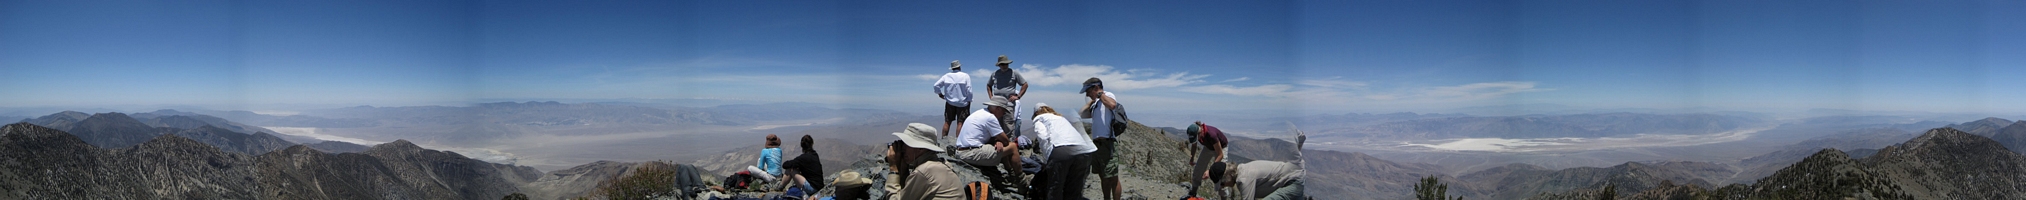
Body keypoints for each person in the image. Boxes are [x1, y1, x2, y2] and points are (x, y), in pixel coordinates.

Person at [1028, 103, 1096, 200]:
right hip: (1083, 151)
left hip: (1061, 151)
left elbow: (1043, 137)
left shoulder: (1039, 119)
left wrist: (1048, 162)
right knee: (1074, 189)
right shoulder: (1060, 118)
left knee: (1055, 188)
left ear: (1036, 113)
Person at [1078, 77, 1126, 200]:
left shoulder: (1107, 96)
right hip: (1097, 144)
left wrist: (1100, 94)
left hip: (1108, 143)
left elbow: (1112, 104)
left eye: (1088, 91)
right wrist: (1091, 102)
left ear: (1095, 88)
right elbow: (1082, 113)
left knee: (1113, 177)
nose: (1088, 95)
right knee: (1103, 176)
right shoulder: (1096, 104)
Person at [889, 123, 964, 200]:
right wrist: (903, 168)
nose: (903, 148)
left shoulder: (924, 171)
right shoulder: (942, 164)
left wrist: (893, 168)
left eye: (906, 144)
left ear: (920, 148)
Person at [954, 96, 1022, 176]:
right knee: (1012, 147)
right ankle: (1020, 180)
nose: (1003, 114)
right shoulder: (990, 118)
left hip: (960, 151)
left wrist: (997, 141)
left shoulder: (980, 113)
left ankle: (1010, 173)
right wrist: (999, 141)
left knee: (1001, 147)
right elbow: (1006, 141)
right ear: (998, 109)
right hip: (970, 153)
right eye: (1003, 111)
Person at [986, 55, 1029, 145]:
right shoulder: (994, 74)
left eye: (1006, 64)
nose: (1004, 66)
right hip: (996, 104)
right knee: (995, 124)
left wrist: (1018, 96)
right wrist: (991, 97)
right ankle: (997, 145)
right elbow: (988, 85)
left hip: (1008, 104)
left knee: (1008, 125)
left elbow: (1024, 84)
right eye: (1002, 64)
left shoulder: (1014, 73)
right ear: (999, 65)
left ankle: (1009, 146)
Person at [1212, 161, 1305, 200]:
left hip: (1293, 181)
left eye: (1222, 184)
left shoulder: (1243, 179)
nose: (1223, 186)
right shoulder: (1242, 169)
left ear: (1229, 176)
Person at [1185, 122, 1229, 196]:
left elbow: (1220, 154)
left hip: (1221, 148)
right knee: (1198, 168)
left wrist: (1210, 170)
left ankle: (1223, 196)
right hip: (1209, 147)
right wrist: (1191, 159)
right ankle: (1193, 193)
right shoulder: (1196, 133)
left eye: (1197, 138)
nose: (1196, 140)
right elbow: (1194, 145)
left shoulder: (1211, 135)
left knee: (1220, 173)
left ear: (1200, 132)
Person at [934, 60, 973, 136]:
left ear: (952, 68)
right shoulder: (965, 76)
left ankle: (944, 139)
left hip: (950, 102)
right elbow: (969, 90)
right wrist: (969, 100)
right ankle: (958, 141)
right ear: (959, 67)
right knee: (960, 122)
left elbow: (936, 85)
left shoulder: (947, 76)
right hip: (962, 103)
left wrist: (940, 94)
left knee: (947, 121)